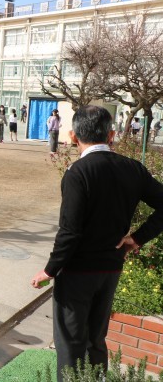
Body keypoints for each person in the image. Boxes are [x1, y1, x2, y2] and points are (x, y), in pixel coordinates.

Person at [30, 105, 163, 382]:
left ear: (73, 135)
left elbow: (69, 232)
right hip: (110, 269)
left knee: (71, 341)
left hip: (77, 272)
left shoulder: (78, 173)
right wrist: (137, 238)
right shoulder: (133, 169)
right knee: (96, 338)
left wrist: (50, 270)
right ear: (111, 135)